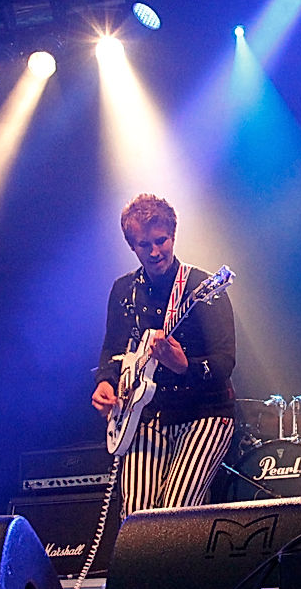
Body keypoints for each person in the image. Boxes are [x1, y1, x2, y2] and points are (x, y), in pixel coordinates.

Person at [91, 194, 236, 517]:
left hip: (206, 412)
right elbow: (113, 350)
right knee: (137, 516)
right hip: (146, 413)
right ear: (132, 246)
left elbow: (225, 361)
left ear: (173, 235)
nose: (155, 252)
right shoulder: (123, 290)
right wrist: (105, 382)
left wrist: (185, 366)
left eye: (161, 241)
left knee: (174, 513)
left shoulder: (201, 287)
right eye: (144, 245)